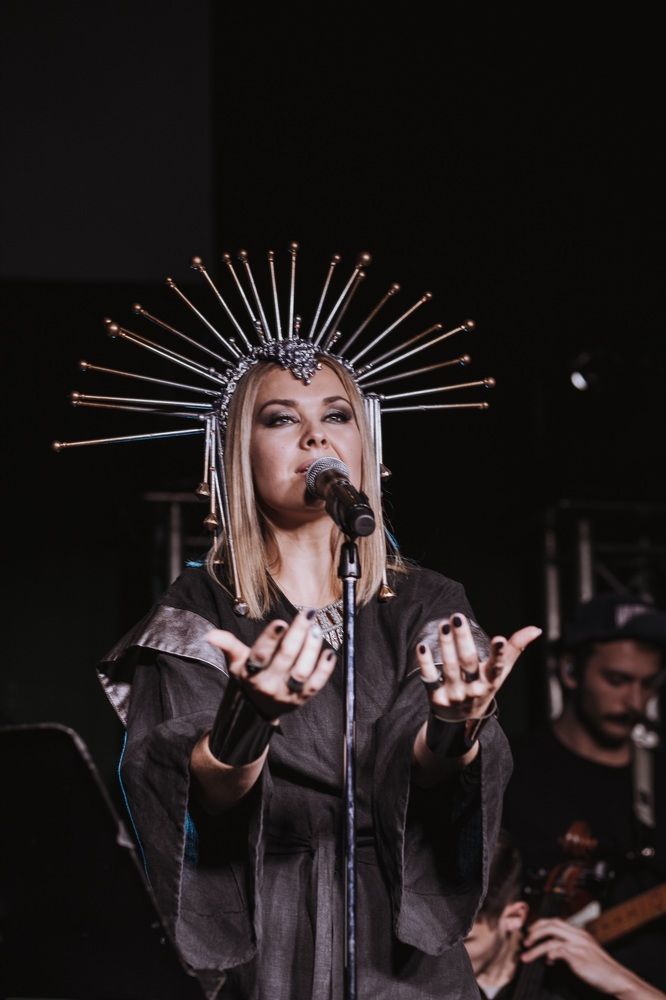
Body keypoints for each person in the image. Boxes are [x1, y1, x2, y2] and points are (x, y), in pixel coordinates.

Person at [96, 352, 541, 1000]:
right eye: (281, 419)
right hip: (272, 941)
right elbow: (195, 795)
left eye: (337, 416)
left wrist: (454, 724)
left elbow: (433, 780)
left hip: (404, 952)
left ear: (365, 443)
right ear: (236, 453)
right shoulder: (197, 612)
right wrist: (251, 717)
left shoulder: (428, 603)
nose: (316, 438)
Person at [502, 592, 666, 990]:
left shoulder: (658, 774)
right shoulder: (510, 770)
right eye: (617, 680)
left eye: (647, 684)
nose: (635, 701)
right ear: (571, 671)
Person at [464, 832, 666, 1000]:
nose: (449, 956)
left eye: (465, 942)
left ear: (514, 917)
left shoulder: (566, 983)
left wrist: (625, 985)